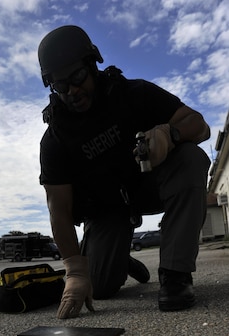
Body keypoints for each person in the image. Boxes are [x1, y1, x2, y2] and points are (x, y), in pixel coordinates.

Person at [38, 25, 211, 319]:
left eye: (77, 77)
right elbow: (59, 210)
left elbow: (200, 125)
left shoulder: (135, 93)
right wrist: (75, 271)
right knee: (100, 288)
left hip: (149, 186)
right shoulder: (56, 139)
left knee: (191, 158)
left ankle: (175, 273)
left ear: (92, 66)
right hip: (106, 208)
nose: (73, 91)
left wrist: (171, 134)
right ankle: (117, 259)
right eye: (61, 85)